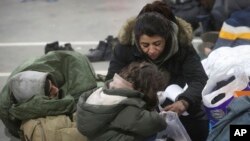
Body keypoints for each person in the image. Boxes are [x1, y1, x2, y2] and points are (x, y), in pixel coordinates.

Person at [105, 1, 209, 141]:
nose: (152, 50)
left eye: (157, 44)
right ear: (136, 40)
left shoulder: (182, 47)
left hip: (172, 102)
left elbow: (199, 78)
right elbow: (112, 80)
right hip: (135, 102)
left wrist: (184, 102)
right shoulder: (124, 48)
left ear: (166, 38)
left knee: (196, 115)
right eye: (145, 45)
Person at [0, 50, 97, 138]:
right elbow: (14, 127)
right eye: (50, 91)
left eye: (52, 84)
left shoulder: (43, 72)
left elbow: (76, 65)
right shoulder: (6, 108)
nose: (56, 89)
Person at [77, 61, 168, 141]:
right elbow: (153, 123)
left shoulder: (104, 91)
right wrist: (162, 116)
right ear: (143, 88)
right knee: (151, 132)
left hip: (99, 136)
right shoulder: (123, 104)